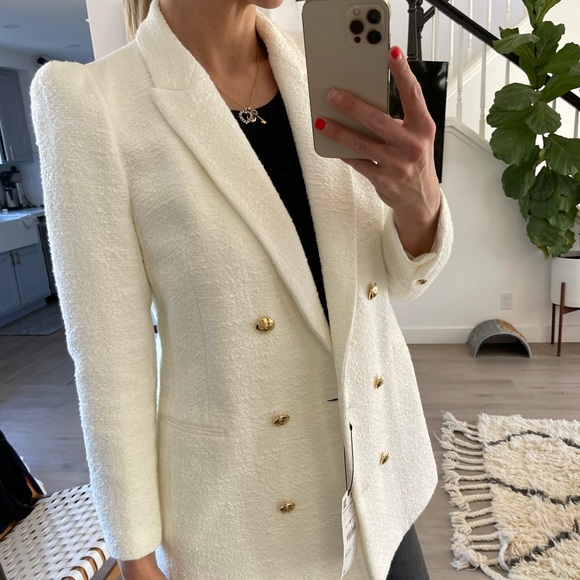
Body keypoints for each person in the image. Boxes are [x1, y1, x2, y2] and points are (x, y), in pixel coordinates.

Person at [30, 0, 453, 578]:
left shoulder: (323, 67)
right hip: (245, 512)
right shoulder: (94, 103)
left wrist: (421, 204)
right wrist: (135, 555)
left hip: (379, 479)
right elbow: (109, 362)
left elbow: (397, 282)